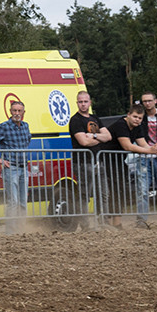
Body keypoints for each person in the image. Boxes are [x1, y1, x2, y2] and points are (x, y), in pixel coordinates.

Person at [107, 104, 157, 228]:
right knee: (110, 191)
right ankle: (107, 222)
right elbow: (128, 146)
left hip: (119, 161)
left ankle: (117, 223)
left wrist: (154, 149)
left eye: (140, 118)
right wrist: (149, 151)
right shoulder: (121, 125)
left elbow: (143, 144)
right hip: (105, 160)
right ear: (128, 115)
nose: (137, 120)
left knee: (121, 190)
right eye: (135, 117)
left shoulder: (138, 127)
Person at [0, 101, 33, 233]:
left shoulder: (25, 126)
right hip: (11, 168)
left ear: (23, 112)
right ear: (10, 112)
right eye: (14, 111)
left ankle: (22, 229)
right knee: (13, 201)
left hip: (24, 167)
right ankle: (10, 232)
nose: (17, 113)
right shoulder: (4, 127)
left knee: (23, 201)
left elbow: (28, 140)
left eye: (19, 111)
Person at [67, 91, 112, 223]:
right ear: (77, 103)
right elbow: (83, 142)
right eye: (80, 102)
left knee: (104, 193)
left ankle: (103, 221)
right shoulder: (75, 120)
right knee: (84, 194)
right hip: (83, 162)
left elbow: (108, 136)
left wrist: (93, 136)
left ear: (90, 103)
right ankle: (85, 224)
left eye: (85, 101)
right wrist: (100, 138)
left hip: (98, 161)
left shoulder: (95, 119)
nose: (83, 104)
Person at [136, 92, 157, 227]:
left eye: (150, 100)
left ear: (155, 101)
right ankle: (141, 221)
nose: (147, 103)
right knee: (142, 190)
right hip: (144, 157)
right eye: (144, 101)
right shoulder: (140, 118)